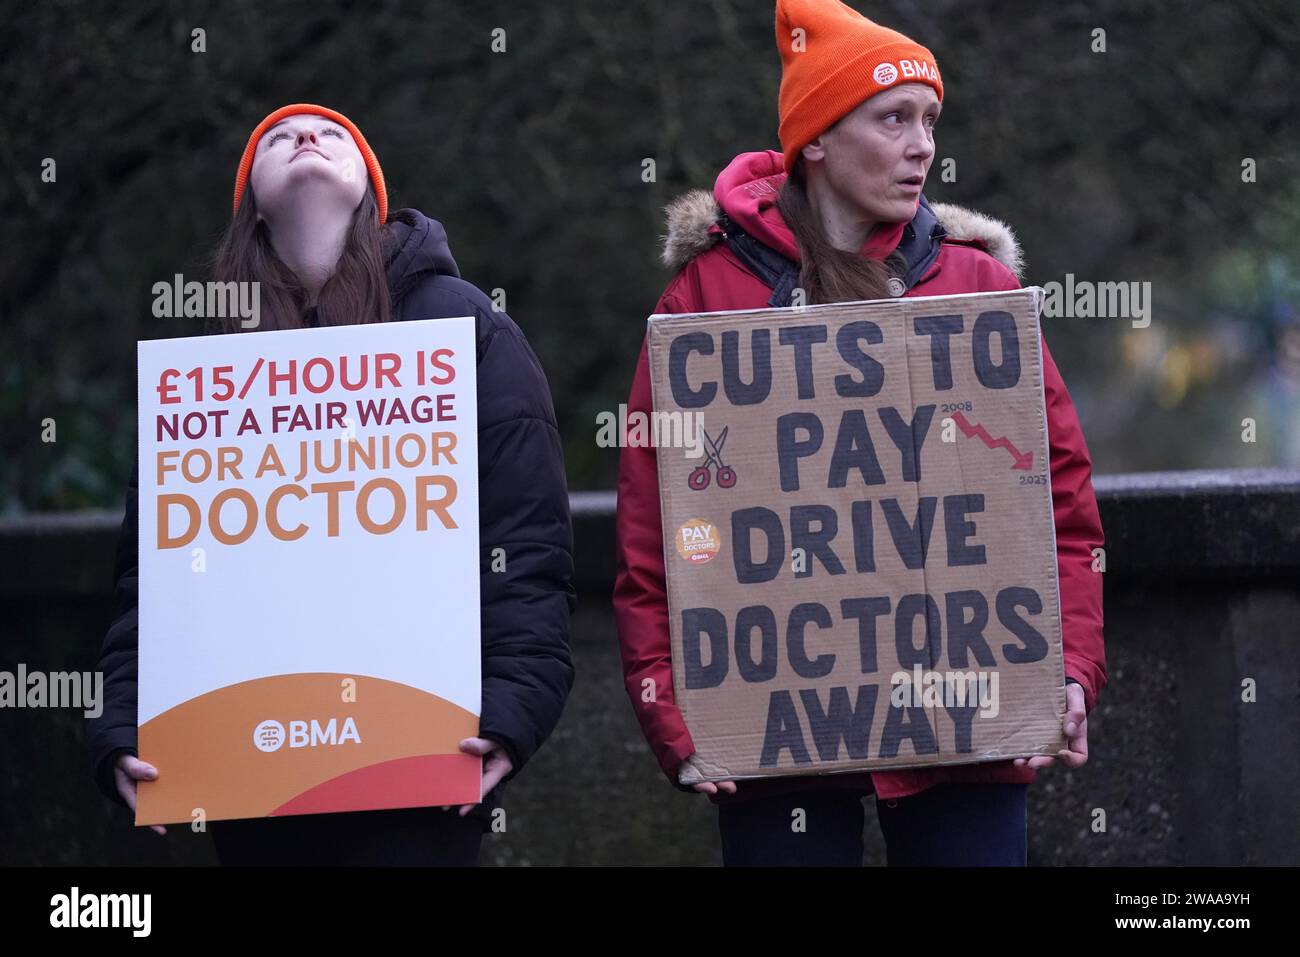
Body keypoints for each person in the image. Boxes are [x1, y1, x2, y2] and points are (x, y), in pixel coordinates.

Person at [613, 0, 1106, 867]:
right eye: (893, 119)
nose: (923, 145)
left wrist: (1066, 670)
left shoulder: (974, 284)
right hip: (773, 733)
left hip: (970, 731)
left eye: (929, 121)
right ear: (815, 140)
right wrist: (667, 701)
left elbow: (1058, 502)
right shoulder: (705, 298)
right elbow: (656, 525)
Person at [85, 104, 576, 866]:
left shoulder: (466, 328)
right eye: (278, 138)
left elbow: (524, 542)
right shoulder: (207, 371)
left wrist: (514, 709)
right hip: (252, 774)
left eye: (333, 133)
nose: (306, 137)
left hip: (422, 768)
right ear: (250, 199)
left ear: (370, 192)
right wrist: (125, 721)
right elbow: (156, 574)